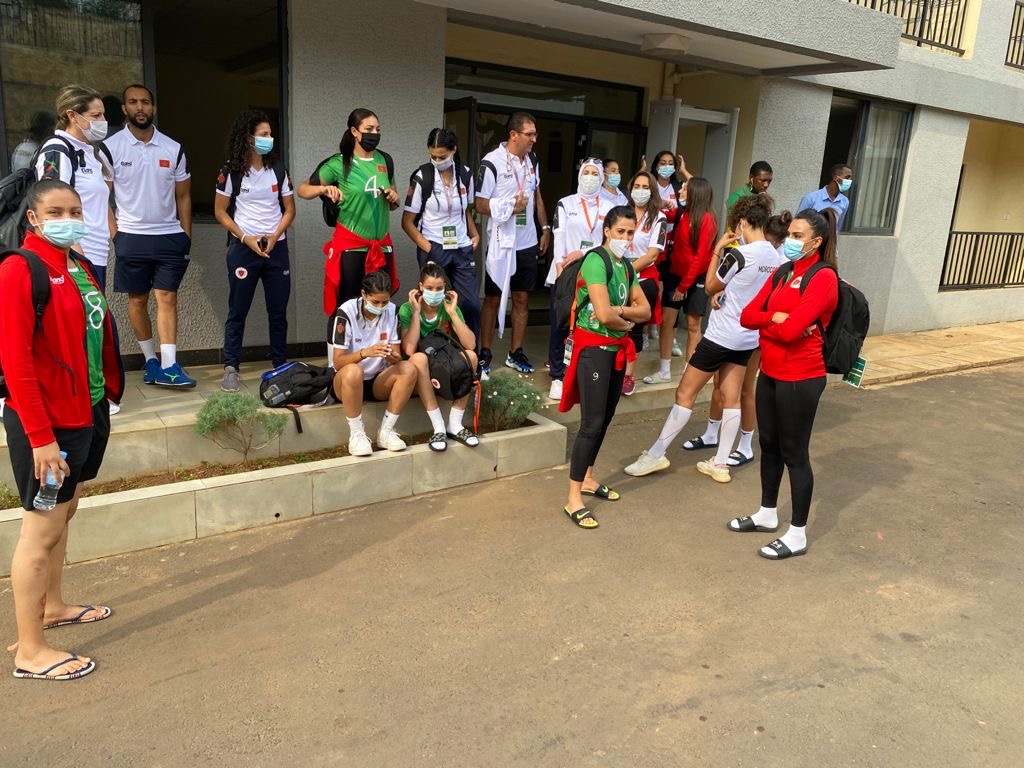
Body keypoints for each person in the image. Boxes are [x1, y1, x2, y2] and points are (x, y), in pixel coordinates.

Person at [1, 179, 124, 681]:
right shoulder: (20, 268)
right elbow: (15, 359)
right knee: (41, 527)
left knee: (65, 511)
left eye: (75, 210)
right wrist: (40, 438)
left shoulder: (75, 265)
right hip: (48, 422)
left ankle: (52, 606)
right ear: (33, 218)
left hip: (84, 411)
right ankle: (30, 651)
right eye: (56, 211)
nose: (69, 218)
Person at [624, 194, 783, 481]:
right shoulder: (775, 256)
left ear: (743, 222)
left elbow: (710, 287)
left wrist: (718, 250)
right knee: (732, 398)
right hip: (748, 338)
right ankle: (720, 464)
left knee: (685, 393)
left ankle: (656, 454)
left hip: (721, 336)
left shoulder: (738, 254)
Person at [730, 207, 840, 560]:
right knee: (769, 445)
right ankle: (767, 513)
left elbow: (793, 332)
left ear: (815, 242)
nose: (789, 241)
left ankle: (797, 534)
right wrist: (775, 318)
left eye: (797, 236)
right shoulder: (783, 271)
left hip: (801, 377)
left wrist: (774, 325)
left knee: (795, 454)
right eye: (789, 234)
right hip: (771, 372)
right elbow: (747, 316)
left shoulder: (823, 277)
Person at [559, 206, 651, 529]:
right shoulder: (596, 260)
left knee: (606, 418)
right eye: (620, 231)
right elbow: (602, 313)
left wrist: (620, 312)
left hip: (614, 349)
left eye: (631, 232)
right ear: (607, 231)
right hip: (594, 349)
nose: (626, 237)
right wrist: (625, 321)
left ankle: (587, 478)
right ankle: (573, 498)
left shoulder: (626, 266)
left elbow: (646, 310)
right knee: (591, 422)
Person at [100, 84, 194, 387]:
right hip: (131, 236)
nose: (140, 107)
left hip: (169, 236)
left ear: (153, 108)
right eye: (133, 102)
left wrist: (185, 234)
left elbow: (184, 196)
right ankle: (151, 361)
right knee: (138, 299)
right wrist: (115, 234)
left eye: (145, 102)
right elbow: (102, 196)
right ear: (124, 109)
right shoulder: (110, 148)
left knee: (167, 297)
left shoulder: (173, 148)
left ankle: (170, 365)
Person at [685, 211, 793, 464]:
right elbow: (737, 285)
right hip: (731, 329)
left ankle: (745, 446)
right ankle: (711, 433)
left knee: (744, 390)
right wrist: (721, 294)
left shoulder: (779, 260)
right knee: (719, 385)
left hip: (753, 333)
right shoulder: (757, 253)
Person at [297, 108, 400, 342]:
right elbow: (303, 189)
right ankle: (338, 357)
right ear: (354, 131)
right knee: (347, 304)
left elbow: (394, 203)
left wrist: (394, 198)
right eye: (369, 129)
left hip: (381, 245)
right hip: (351, 247)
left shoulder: (385, 160)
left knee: (380, 303)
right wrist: (324, 189)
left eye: (378, 129)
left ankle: (375, 354)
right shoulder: (339, 163)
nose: (374, 134)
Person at [213, 109, 296, 392]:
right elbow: (220, 211)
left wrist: (275, 235)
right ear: (248, 138)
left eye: (270, 134)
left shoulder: (279, 169)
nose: (269, 139)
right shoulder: (230, 171)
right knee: (237, 311)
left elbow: (290, 209)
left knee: (278, 312)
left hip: (276, 247)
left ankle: (280, 366)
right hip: (243, 248)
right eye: (263, 134)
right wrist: (245, 237)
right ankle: (231, 368)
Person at [476, 111, 550, 375]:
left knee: (521, 298)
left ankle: (515, 352)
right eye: (530, 134)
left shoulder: (532, 160)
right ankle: (485, 352)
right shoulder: (491, 162)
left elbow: (537, 196)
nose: (534, 139)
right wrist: (509, 206)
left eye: (535, 134)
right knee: (493, 298)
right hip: (501, 242)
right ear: (513, 135)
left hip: (526, 241)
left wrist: (544, 228)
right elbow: (480, 204)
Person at [400, 128, 480, 338]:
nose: (437, 161)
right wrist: (427, 247)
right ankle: (429, 348)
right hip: (434, 245)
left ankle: (470, 353)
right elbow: (407, 221)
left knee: (471, 304)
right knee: (431, 303)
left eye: (442, 157)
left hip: (461, 247)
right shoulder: (423, 176)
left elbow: (465, 210)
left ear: (453, 150)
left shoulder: (465, 174)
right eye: (432, 156)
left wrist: (475, 234)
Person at [34, 86, 115, 292]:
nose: (103, 120)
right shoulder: (57, 149)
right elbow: (52, 207)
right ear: (72, 115)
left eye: (103, 114)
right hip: (75, 256)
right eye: (95, 115)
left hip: (95, 253)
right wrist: (75, 257)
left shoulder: (90, 152)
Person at [544, 158, 611, 401]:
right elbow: (559, 235)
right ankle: (557, 376)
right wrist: (559, 265)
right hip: (566, 269)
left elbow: (608, 240)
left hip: (594, 270)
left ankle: (578, 372)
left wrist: (583, 252)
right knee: (560, 322)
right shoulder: (566, 203)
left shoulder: (609, 207)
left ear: (601, 178)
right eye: (586, 172)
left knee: (587, 322)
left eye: (595, 173)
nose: (590, 177)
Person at [330, 270, 417, 457]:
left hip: (377, 380)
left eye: (385, 302)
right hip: (346, 382)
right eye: (375, 302)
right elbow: (338, 362)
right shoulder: (346, 311)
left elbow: (396, 355)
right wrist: (365, 353)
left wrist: (393, 357)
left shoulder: (392, 311)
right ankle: (357, 435)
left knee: (408, 368)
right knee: (354, 371)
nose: (380, 306)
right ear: (363, 294)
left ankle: (386, 431)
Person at [398, 262, 480, 452]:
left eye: (439, 288)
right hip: (420, 373)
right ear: (420, 287)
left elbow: (470, 344)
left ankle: (455, 424)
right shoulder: (407, 309)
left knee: (471, 357)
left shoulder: (449, 307)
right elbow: (409, 349)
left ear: (445, 289)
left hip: (444, 367)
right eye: (429, 288)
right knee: (418, 358)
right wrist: (416, 313)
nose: (434, 293)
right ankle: (439, 427)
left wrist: (453, 314)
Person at [645, 177, 717, 384]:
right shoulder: (683, 213)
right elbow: (660, 213)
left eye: (685, 188)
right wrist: (659, 202)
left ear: (695, 193)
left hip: (695, 278)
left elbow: (701, 258)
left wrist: (683, 287)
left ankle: (689, 373)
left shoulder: (707, 219)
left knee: (694, 325)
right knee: (667, 321)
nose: (680, 191)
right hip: (675, 275)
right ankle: (664, 371)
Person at [621, 170, 666, 396]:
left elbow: (652, 254)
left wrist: (627, 272)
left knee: (634, 327)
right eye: (637, 186)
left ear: (652, 191)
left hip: (643, 278)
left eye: (645, 187)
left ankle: (628, 376)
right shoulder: (622, 212)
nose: (640, 191)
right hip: (618, 275)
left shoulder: (659, 218)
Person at [798, 163, 853, 229]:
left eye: (851, 178)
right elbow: (798, 223)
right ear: (835, 178)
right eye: (847, 177)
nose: (850, 181)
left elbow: (838, 226)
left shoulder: (844, 201)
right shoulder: (810, 198)